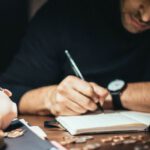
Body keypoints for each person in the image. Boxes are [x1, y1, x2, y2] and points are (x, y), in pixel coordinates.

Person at [0, 0, 150, 116]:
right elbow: (10, 91)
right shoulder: (64, 13)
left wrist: (112, 97)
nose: (146, 17)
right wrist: (50, 98)